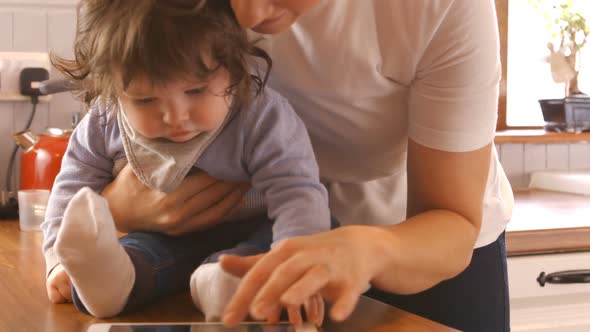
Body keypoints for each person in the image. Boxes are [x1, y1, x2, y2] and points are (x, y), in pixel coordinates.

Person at [101, 0, 513, 331]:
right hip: (242, 249)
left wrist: (369, 248)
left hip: (417, 249)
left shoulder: (441, 8)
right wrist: (116, 204)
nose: (246, 14)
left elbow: (452, 219)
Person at [41, 0, 331, 324]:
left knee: (319, 228)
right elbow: (72, 189)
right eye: (146, 100)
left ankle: (226, 283)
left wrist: (299, 263)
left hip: (258, 229)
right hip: (166, 238)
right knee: (137, 252)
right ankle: (110, 284)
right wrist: (58, 259)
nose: (175, 116)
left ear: (234, 69)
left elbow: (296, 190)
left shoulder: (261, 114)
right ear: (110, 89)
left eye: (195, 90)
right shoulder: (105, 120)